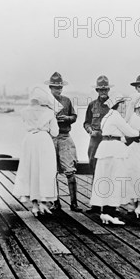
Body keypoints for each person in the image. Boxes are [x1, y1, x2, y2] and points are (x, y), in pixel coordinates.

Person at [89, 95, 140, 225]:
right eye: (123, 104)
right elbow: (129, 131)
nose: (124, 106)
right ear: (118, 104)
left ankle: (105, 213)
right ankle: (110, 213)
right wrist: (139, 132)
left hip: (104, 148)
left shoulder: (106, 117)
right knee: (115, 180)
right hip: (114, 150)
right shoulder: (116, 116)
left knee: (105, 180)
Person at [13, 86, 61, 216]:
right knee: (46, 170)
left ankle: (34, 205)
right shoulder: (49, 112)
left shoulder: (24, 111)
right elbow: (55, 132)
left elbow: (24, 126)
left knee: (30, 170)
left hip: (29, 141)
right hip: (44, 141)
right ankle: (44, 203)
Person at [45, 72, 81, 212]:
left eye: (60, 87)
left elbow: (74, 116)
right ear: (50, 87)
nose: (58, 90)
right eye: (55, 87)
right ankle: (56, 202)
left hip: (65, 136)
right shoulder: (46, 102)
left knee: (70, 170)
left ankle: (74, 203)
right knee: (52, 170)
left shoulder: (66, 100)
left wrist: (67, 118)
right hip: (51, 137)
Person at [83, 75, 112, 213]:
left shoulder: (114, 105)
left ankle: (110, 205)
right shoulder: (92, 105)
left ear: (108, 89)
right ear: (97, 90)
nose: (103, 92)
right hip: (95, 140)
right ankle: (95, 204)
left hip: (108, 140)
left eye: (105, 89)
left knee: (108, 170)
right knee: (94, 168)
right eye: (100, 89)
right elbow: (86, 122)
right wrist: (90, 131)